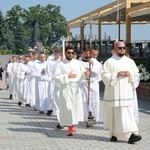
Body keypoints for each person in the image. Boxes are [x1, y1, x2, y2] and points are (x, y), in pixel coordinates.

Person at [101, 41, 142, 144]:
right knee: (114, 115)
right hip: (114, 94)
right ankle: (113, 134)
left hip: (126, 94)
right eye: (120, 48)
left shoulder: (130, 61)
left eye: (124, 48)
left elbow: (136, 74)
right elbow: (104, 76)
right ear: (115, 49)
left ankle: (132, 134)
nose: (122, 50)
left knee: (127, 115)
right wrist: (116, 74)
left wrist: (130, 74)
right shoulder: (109, 62)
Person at [54, 45, 90, 136]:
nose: (70, 54)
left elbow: (82, 75)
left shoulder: (78, 63)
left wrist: (86, 74)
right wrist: (67, 76)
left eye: (72, 53)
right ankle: (70, 126)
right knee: (67, 106)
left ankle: (72, 124)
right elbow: (56, 77)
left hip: (76, 88)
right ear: (65, 53)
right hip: (66, 87)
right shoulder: (60, 64)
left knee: (75, 107)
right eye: (68, 53)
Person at [79, 49, 102, 124]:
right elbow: (77, 73)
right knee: (85, 102)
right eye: (85, 53)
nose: (87, 55)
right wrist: (84, 73)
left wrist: (92, 65)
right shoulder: (79, 63)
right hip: (84, 84)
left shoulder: (95, 62)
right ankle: (87, 118)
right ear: (82, 54)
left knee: (94, 102)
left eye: (88, 53)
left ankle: (94, 117)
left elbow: (98, 71)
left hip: (93, 84)